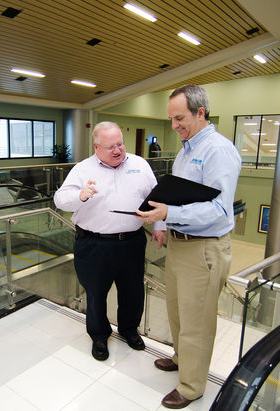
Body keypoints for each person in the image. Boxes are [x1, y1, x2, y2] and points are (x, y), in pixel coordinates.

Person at [136, 85, 242, 409]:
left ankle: (192, 386)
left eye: (179, 118)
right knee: (178, 313)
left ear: (200, 112)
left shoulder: (218, 151)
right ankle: (182, 359)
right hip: (180, 245)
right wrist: (162, 223)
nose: (174, 125)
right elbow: (178, 196)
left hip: (204, 249)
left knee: (198, 320)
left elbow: (220, 210)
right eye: (170, 119)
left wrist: (170, 213)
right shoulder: (184, 151)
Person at [54, 121, 166, 361]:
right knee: (95, 293)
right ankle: (98, 335)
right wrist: (80, 195)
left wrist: (159, 225)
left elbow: (157, 197)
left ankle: (128, 330)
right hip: (94, 244)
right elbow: (60, 199)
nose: (117, 150)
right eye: (110, 147)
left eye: (120, 144)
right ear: (96, 147)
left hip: (132, 242)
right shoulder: (83, 170)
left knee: (133, 291)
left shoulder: (140, 165)